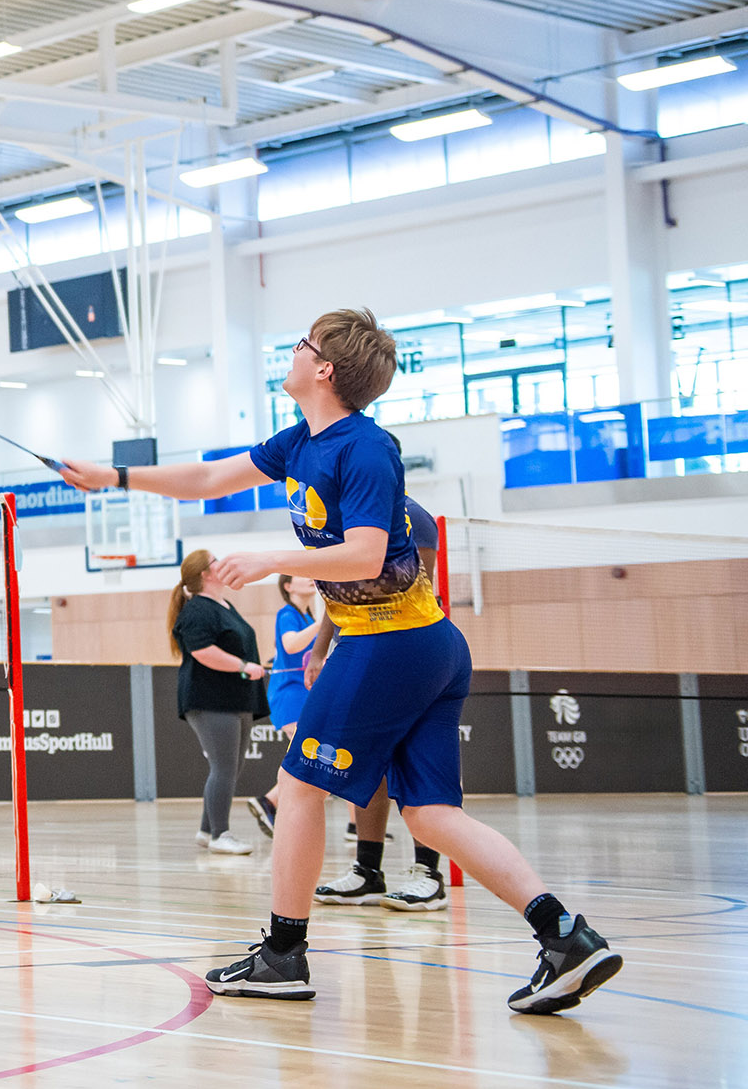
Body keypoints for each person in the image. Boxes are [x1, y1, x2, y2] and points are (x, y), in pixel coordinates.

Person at [61, 308, 622, 1014]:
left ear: (324, 368)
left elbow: (361, 551)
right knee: (430, 815)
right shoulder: (301, 440)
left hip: (391, 641)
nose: (291, 352)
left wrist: (272, 557)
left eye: (301, 344)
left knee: (297, 790)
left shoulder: (364, 448)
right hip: (421, 645)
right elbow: (210, 480)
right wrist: (113, 476)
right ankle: (565, 936)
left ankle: (283, 954)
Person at [309, 495, 449, 911]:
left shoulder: (415, 519)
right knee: (367, 764)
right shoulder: (348, 519)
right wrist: (319, 652)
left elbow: (412, 592)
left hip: (406, 653)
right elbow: (342, 596)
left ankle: (428, 873)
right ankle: (367, 871)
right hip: (360, 653)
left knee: (416, 761)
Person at [167, 549, 270, 856]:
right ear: (205, 574)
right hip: (210, 699)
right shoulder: (198, 609)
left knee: (229, 766)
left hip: (234, 698)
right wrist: (242, 666)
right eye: (215, 562)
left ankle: (207, 829)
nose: (221, 564)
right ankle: (220, 834)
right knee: (224, 768)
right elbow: (203, 652)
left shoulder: (223, 605)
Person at [243, 574, 321, 838]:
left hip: (305, 694)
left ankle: (270, 802)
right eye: (303, 577)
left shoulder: (308, 617)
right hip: (289, 695)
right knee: (306, 754)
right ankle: (271, 801)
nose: (311, 580)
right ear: (288, 587)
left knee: (307, 756)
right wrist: (325, 623)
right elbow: (290, 643)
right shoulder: (287, 614)